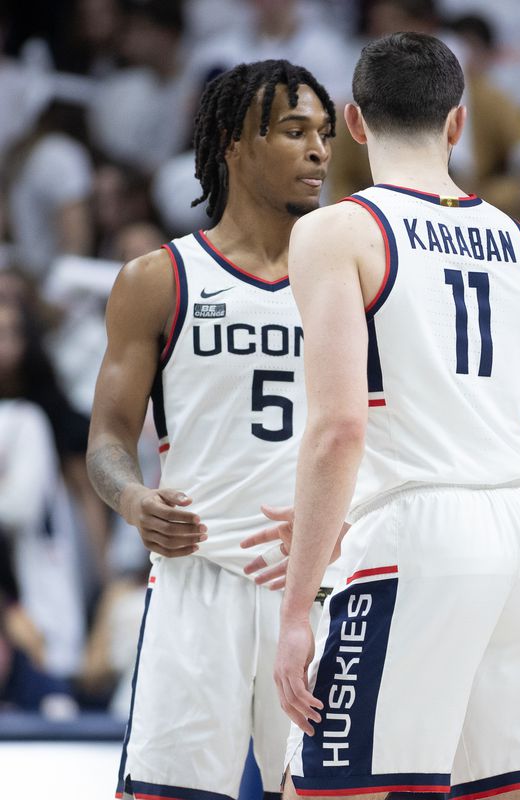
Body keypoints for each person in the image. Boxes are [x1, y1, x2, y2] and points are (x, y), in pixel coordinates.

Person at [271, 32, 520, 800]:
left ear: (354, 123)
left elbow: (339, 429)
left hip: (417, 532)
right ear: (458, 123)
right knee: (505, 790)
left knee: (338, 788)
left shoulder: (337, 230)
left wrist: (298, 607)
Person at [86, 59, 338, 800]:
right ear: (233, 142)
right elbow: (107, 438)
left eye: (324, 133)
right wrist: (132, 500)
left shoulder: (356, 279)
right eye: (295, 131)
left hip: (322, 585)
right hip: (199, 581)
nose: (319, 150)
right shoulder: (156, 279)